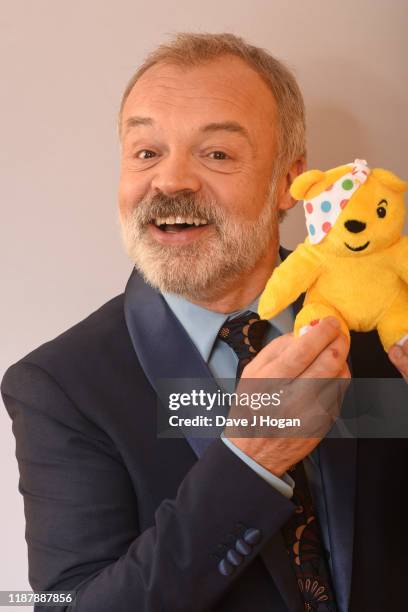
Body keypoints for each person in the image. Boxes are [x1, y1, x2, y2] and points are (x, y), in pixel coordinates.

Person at [2, 32, 408, 612]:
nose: (170, 182)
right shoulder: (59, 386)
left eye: (216, 154)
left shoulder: (385, 323)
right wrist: (250, 461)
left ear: (289, 182)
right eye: (146, 152)